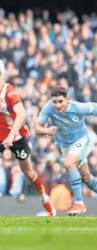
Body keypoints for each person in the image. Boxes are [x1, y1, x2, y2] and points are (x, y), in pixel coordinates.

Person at [0, 65, 56, 217]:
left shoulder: (10, 93)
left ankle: (45, 198)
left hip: (17, 138)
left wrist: (11, 135)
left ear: (3, 79)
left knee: (29, 173)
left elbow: (21, 114)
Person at [35, 86, 97, 215]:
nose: (57, 105)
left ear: (67, 99)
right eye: (55, 102)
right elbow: (36, 128)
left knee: (68, 164)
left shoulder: (79, 108)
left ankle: (79, 203)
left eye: (60, 101)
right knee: (86, 178)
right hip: (65, 146)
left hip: (82, 141)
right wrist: (46, 130)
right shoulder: (48, 108)